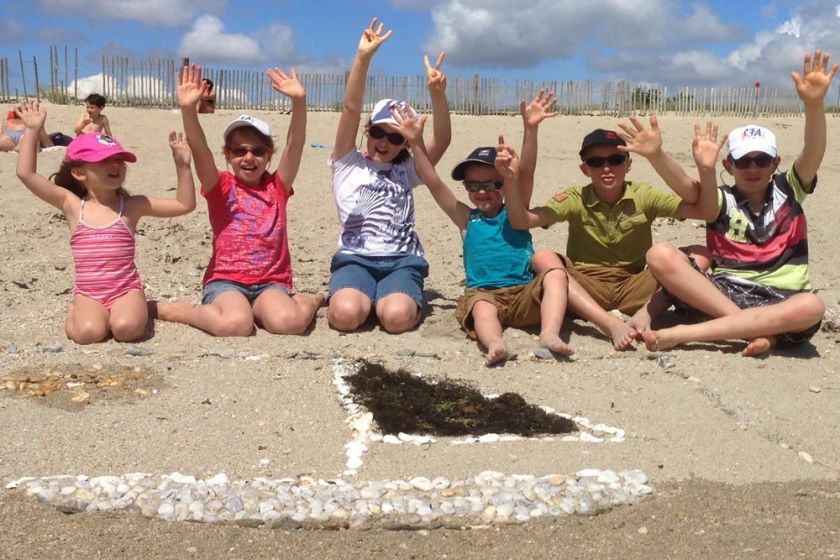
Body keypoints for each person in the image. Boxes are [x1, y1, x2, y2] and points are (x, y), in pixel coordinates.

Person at [641, 50, 836, 355]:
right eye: (743, 161)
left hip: (781, 301)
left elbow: (813, 151)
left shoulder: (789, 189)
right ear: (729, 165)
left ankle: (687, 334)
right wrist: (657, 156)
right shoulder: (720, 199)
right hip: (724, 295)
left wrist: (813, 105)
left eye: (762, 160)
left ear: (776, 163)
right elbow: (684, 185)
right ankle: (751, 330)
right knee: (660, 254)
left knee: (811, 305)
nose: (753, 168)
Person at [506, 115, 717, 349]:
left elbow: (704, 210)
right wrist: (511, 175)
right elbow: (521, 220)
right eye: (596, 162)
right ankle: (607, 323)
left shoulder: (643, 195)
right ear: (585, 169)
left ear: (628, 164)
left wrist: (660, 157)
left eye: (615, 159)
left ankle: (646, 313)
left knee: (699, 254)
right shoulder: (576, 198)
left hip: (634, 285)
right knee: (542, 256)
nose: (606, 168)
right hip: (586, 286)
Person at [399, 94, 572, 365]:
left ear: (504, 183)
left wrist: (531, 129)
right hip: (485, 293)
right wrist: (415, 142)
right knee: (481, 310)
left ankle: (549, 333)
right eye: (472, 186)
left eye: (491, 185)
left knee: (555, 277)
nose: (481, 192)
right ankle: (495, 342)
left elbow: (526, 172)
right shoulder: (467, 218)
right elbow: (432, 180)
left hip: (523, 292)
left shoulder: (516, 209)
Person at [154, 64, 323, 336]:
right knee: (236, 325)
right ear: (227, 155)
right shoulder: (220, 186)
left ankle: (309, 301)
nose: (248, 158)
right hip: (226, 281)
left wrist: (299, 102)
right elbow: (200, 150)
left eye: (257, 151)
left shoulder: (277, 186)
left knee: (289, 324)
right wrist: (188, 110)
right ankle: (180, 310)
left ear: (269, 156)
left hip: (271, 283)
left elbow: (295, 144)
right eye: (239, 151)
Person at [15, 100, 196, 344]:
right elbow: (26, 174)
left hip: (126, 290)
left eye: (120, 160)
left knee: (127, 329)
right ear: (79, 173)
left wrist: (183, 165)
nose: (116, 165)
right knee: (88, 334)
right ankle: (74, 313)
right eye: (104, 160)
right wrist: (32, 129)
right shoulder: (72, 205)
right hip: (89, 293)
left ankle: (138, 307)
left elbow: (184, 205)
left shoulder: (132, 206)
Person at [327, 18, 450, 333]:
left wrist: (438, 95)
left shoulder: (409, 170)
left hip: (401, 260)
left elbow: (443, 141)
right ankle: (363, 298)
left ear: (407, 143)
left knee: (395, 319)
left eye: (396, 138)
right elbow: (350, 108)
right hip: (355, 259)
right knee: (344, 316)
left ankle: (391, 301)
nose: (384, 142)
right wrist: (363, 58)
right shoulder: (347, 162)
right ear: (367, 131)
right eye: (379, 132)